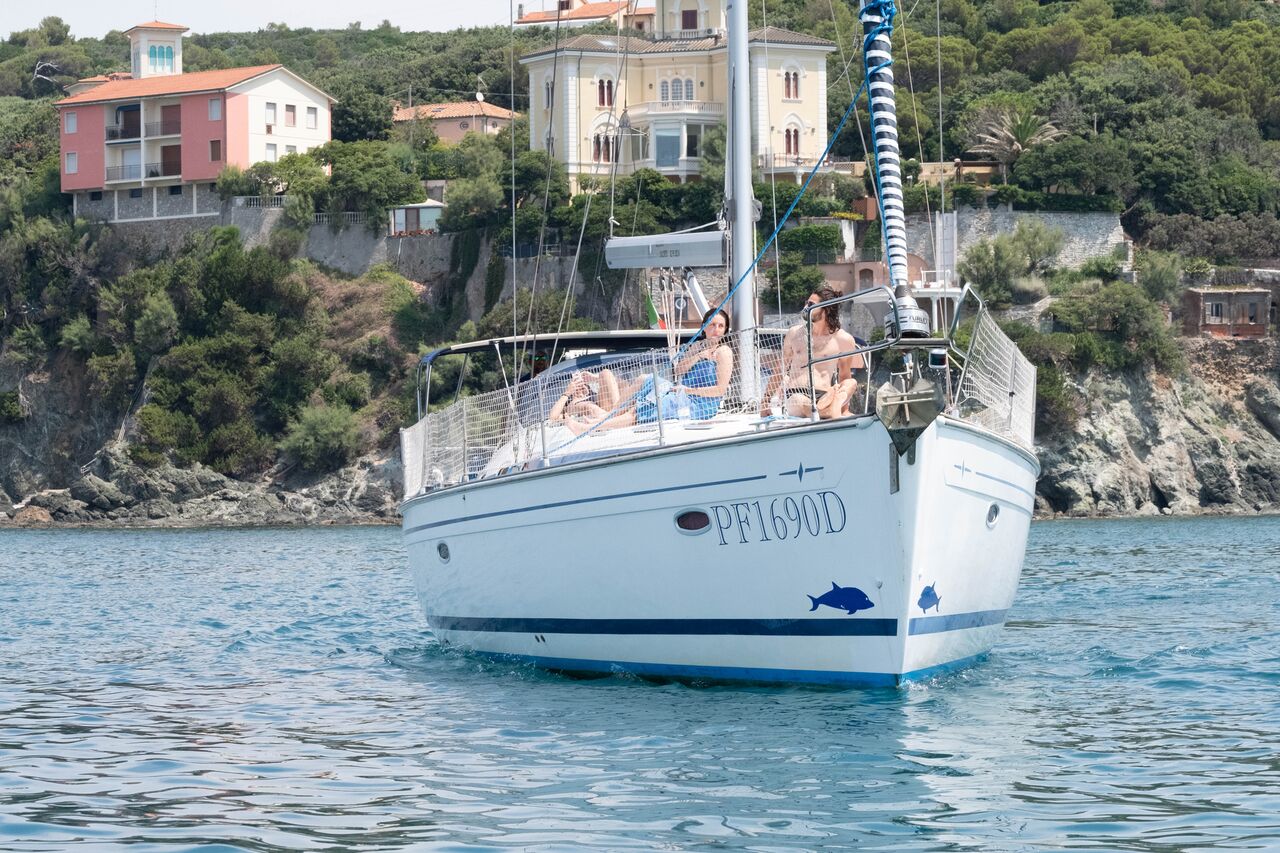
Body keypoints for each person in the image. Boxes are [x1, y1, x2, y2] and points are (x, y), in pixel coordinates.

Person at [563, 308, 735, 434]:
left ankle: (589, 427)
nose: (716, 330)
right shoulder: (697, 347)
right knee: (645, 379)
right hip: (680, 394)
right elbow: (679, 370)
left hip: (698, 405)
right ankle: (608, 416)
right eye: (712, 325)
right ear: (704, 327)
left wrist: (687, 390)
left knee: (645, 408)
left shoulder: (724, 352)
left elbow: (719, 390)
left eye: (721, 326)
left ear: (725, 330)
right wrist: (699, 356)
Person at [763, 286, 863, 419]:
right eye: (806, 303)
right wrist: (765, 401)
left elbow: (844, 375)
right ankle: (828, 413)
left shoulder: (843, 339)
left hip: (824, 396)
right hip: (796, 394)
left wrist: (845, 410)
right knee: (798, 400)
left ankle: (831, 409)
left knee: (851, 383)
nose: (805, 307)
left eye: (811, 304)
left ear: (826, 309)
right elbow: (780, 369)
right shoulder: (794, 334)